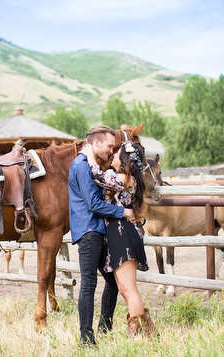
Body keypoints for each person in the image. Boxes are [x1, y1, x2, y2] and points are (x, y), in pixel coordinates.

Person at [68, 125, 135, 346]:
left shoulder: (90, 165)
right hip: (88, 231)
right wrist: (123, 211)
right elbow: (93, 204)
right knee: (88, 283)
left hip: (97, 230)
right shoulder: (81, 166)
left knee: (111, 280)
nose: (110, 150)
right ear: (95, 143)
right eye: (108, 146)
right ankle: (86, 338)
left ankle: (105, 328)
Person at [91, 141, 157, 338]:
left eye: (118, 152)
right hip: (120, 234)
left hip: (122, 235)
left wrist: (88, 156)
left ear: (126, 158)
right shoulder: (127, 178)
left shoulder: (121, 178)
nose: (114, 154)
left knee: (129, 289)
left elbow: (97, 176)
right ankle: (144, 333)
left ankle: (141, 334)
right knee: (124, 288)